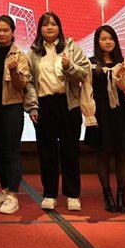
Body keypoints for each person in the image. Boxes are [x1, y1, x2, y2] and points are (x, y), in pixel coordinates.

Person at [24, 12, 93, 212]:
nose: (49, 28)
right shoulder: (34, 52)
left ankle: (72, 194)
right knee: (47, 152)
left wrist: (69, 66)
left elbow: (84, 73)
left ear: (59, 27)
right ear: (40, 29)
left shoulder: (71, 47)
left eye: (53, 24)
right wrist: (32, 106)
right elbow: (28, 82)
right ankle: (49, 194)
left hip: (68, 104)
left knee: (70, 151)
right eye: (45, 25)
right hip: (44, 105)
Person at [84, 25, 125, 213]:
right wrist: (88, 114)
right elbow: (87, 89)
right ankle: (107, 196)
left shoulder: (123, 62)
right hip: (100, 112)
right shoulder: (90, 63)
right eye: (103, 39)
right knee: (103, 155)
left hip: (120, 112)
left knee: (122, 154)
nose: (108, 42)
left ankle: (121, 196)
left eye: (111, 38)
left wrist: (121, 76)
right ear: (97, 42)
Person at [0, 15, 31, 215]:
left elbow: (21, 85)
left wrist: (13, 71)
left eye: (6, 30)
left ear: (13, 32)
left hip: (12, 107)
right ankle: (4, 190)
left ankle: (13, 195)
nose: (2, 34)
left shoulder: (19, 55)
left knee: (12, 151)